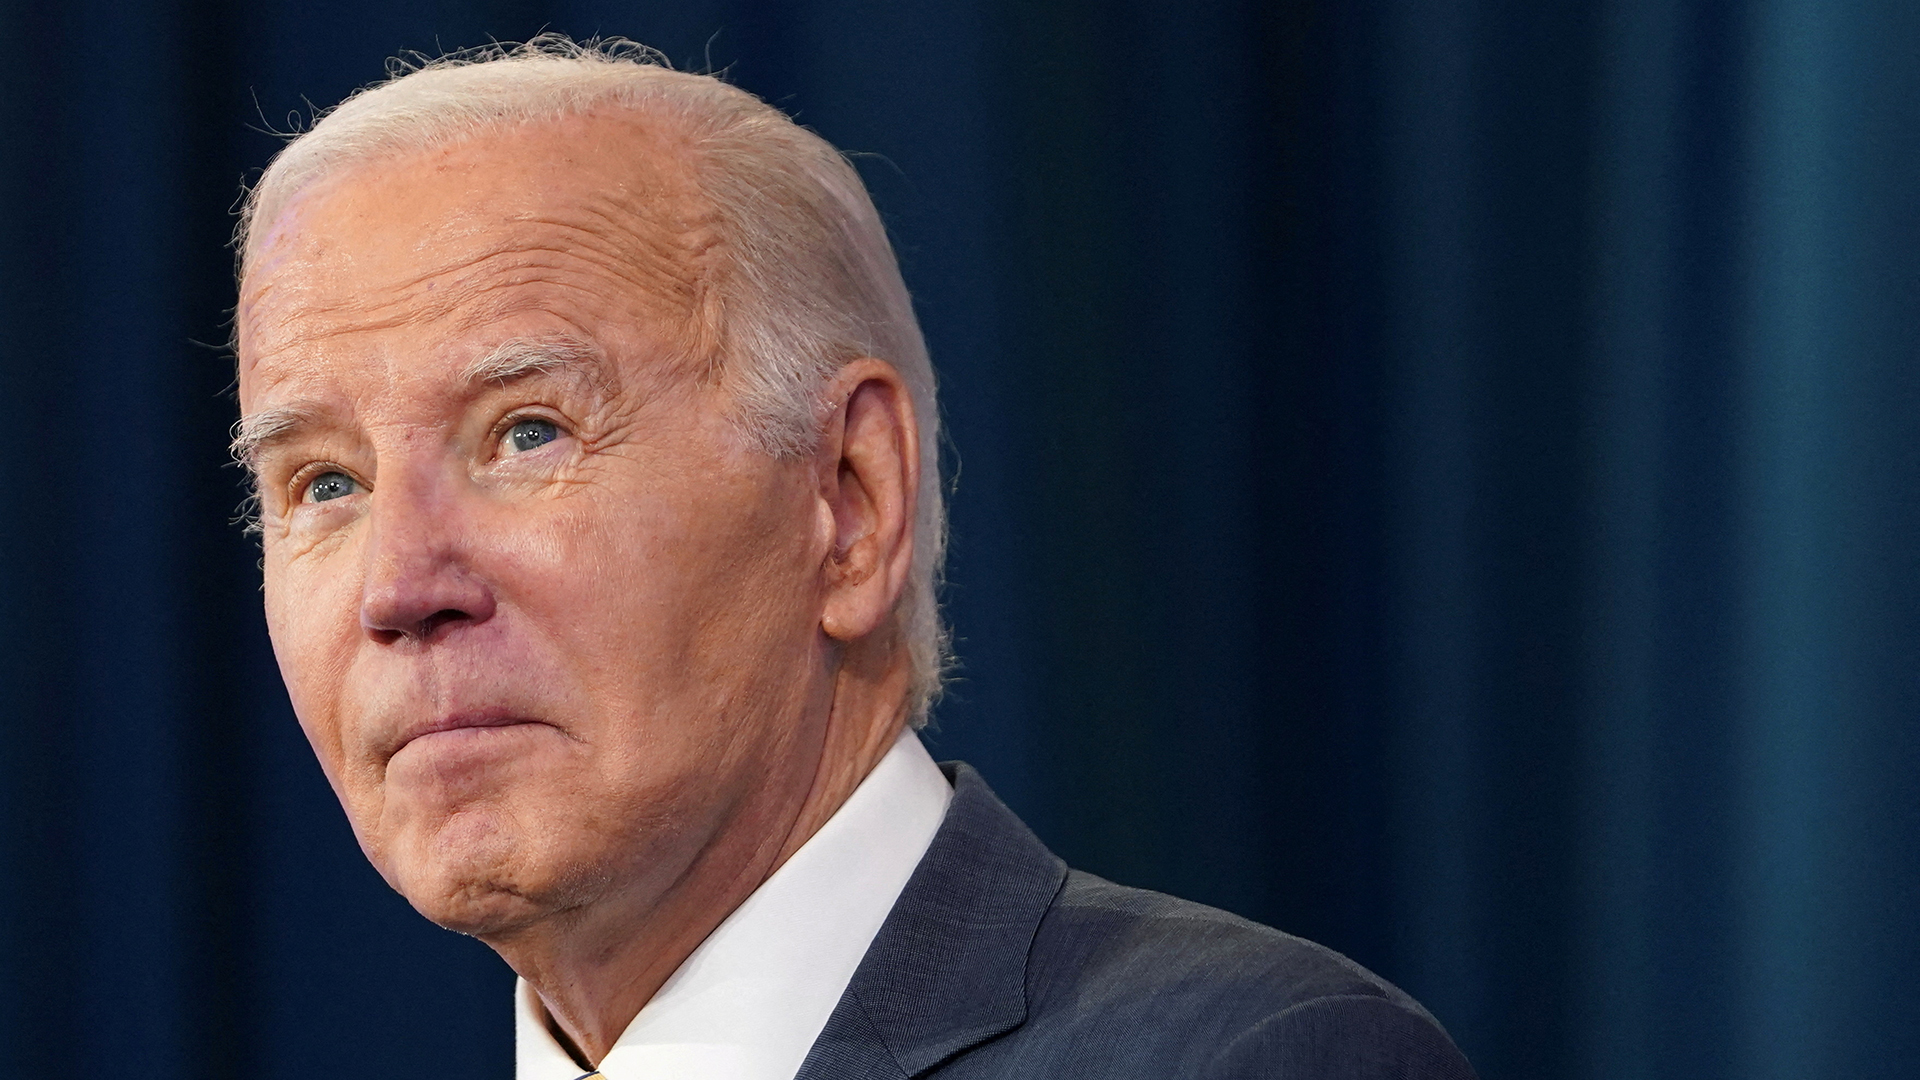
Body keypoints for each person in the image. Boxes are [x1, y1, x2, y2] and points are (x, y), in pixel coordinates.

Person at [231, 36, 1475, 1080]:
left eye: (527, 432)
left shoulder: (1255, 1058)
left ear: (850, 500)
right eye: (324, 483)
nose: (400, 588)